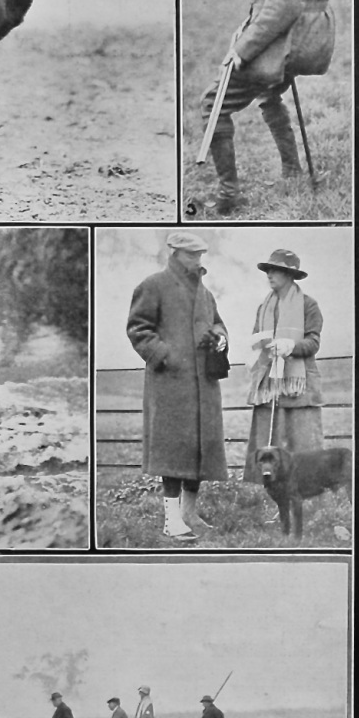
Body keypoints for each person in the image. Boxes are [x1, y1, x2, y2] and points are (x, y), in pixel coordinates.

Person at [199, 0, 345, 215]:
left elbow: (283, 7)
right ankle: (293, 171)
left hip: (286, 42)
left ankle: (228, 194)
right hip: (310, 40)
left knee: (211, 106)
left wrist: (243, 48)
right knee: (269, 93)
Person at [126, 232, 229, 542]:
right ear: (174, 253)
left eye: (199, 256)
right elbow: (137, 329)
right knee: (173, 451)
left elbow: (218, 323)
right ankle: (171, 520)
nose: (196, 261)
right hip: (170, 384)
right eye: (190, 255)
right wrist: (165, 355)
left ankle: (189, 513)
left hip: (204, 385)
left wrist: (221, 337)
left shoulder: (205, 294)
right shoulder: (153, 285)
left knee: (199, 449)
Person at [243, 249, 325, 480]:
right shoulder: (264, 307)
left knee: (303, 440)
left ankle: (310, 485)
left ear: (290, 275)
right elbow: (255, 338)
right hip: (268, 383)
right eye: (268, 270)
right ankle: (263, 485)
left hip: (298, 384)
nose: (269, 274)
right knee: (266, 438)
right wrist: (261, 346)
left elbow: (313, 342)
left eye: (275, 270)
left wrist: (291, 346)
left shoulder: (308, 305)